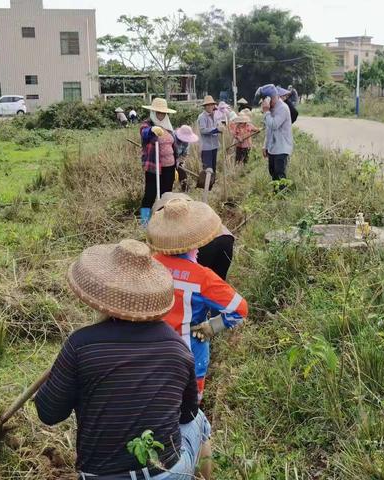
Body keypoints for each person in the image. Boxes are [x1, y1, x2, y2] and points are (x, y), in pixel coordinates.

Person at [35, 239, 212, 480]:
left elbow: (49, 413)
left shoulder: (81, 344)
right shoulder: (178, 347)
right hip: (165, 474)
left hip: (98, 476)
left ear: (103, 295)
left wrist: (60, 382)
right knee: (199, 420)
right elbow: (187, 414)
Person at [147, 198, 248, 398]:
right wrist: (213, 326)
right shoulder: (202, 277)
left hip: (151, 352)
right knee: (189, 408)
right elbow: (240, 309)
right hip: (190, 352)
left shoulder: (149, 264)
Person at [152, 192, 235, 280]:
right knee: (216, 281)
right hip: (225, 237)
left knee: (197, 278)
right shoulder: (198, 215)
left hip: (206, 243)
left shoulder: (175, 230)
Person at [139, 97, 178, 225]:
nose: (161, 115)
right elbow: (143, 132)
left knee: (166, 195)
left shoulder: (168, 126)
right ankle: (144, 222)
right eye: (158, 112)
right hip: (154, 168)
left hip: (170, 167)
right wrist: (151, 130)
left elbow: (174, 146)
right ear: (153, 112)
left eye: (163, 112)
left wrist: (176, 167)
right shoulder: (148, 124)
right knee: (150, 194)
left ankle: (163, 222)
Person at [256, 84, 293, 184]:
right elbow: (269, 129)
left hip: (282, 148)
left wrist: (266, 111)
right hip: (273, 148)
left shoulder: (282, 108)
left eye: (265, 100)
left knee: (280, 175)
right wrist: (265, 146)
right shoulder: (271, 109)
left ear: (270, 98)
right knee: (272, 173)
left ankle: (281, 197)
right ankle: (276, 194)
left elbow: (274, 125)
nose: (264, 103)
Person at [198, 95, 224, 174]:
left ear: (213, 105)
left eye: (211, 105)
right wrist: (216, 130)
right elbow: (203, 130)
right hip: (206, 148)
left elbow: (218, 126)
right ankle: (207, 186)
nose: (210, 106)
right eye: (208, 105)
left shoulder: (215, 116)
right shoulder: (202, 117)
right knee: (208, 170)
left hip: (214, 146)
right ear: (205, 106)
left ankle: (211, 185)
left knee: (213, 168)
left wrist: (220, 128)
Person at [174, 125, 199, 193]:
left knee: (182, 173)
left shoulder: (186, 142)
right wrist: (173, 162)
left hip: (179, 158)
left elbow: (185, 154)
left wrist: (179, 160)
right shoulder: (173, 138)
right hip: (169, 158)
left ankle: (185, 190)